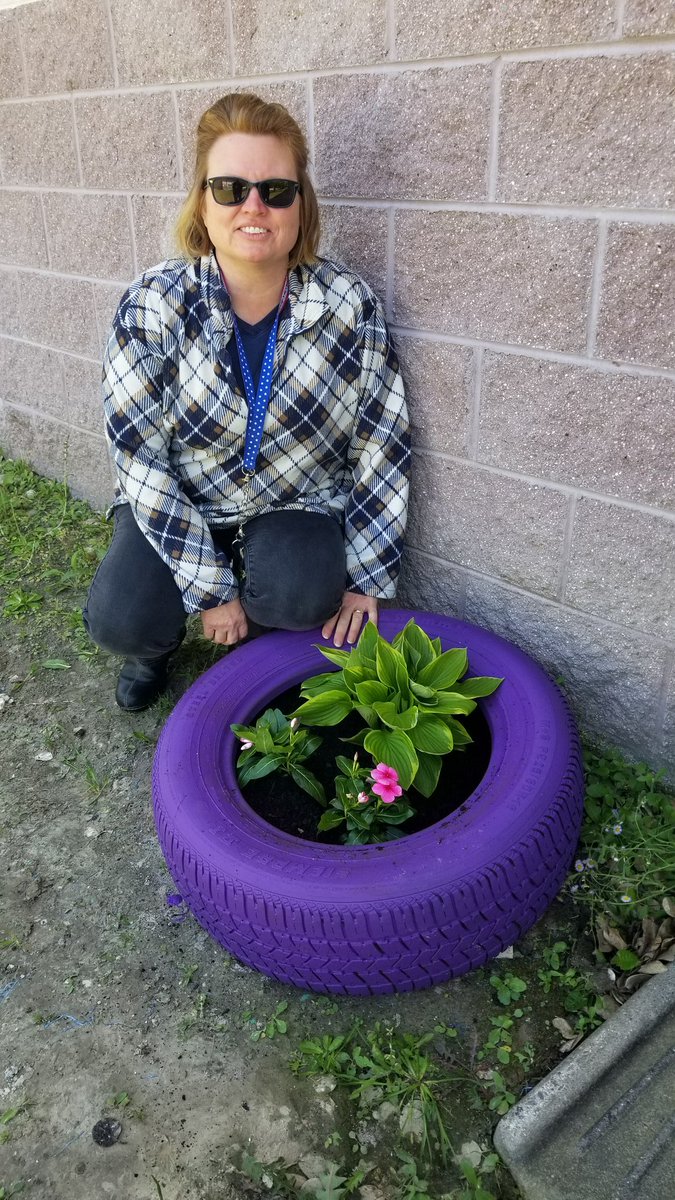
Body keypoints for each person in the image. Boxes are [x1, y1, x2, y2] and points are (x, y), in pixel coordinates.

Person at [83, 93, 410, 712]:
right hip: (186, 497)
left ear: (300, 204)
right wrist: (209, 587)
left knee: (305, 592)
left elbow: (382, 441)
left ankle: (257, 642)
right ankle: (158, 647)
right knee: (120, 619)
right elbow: (138, 458)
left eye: (276, 190)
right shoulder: (151, 306)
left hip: (293, 499)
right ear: (202, 203)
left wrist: (368, 575)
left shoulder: (350, 306)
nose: (253, 207)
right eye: (230, 188)